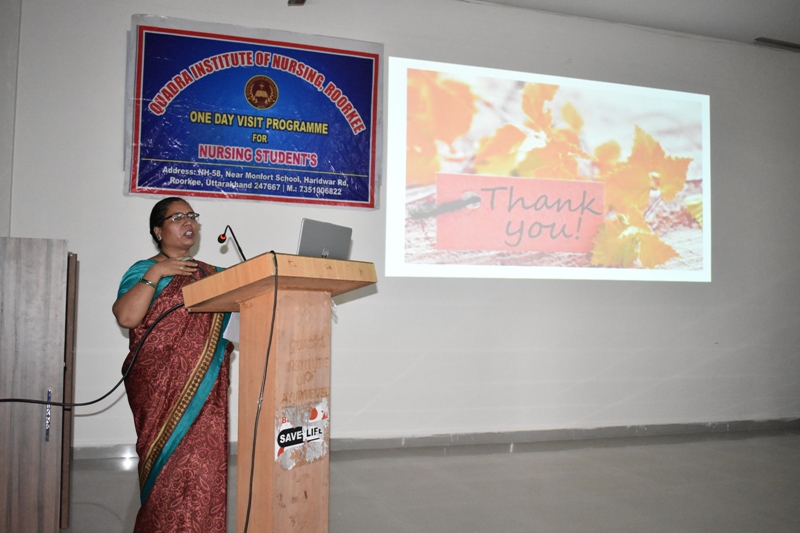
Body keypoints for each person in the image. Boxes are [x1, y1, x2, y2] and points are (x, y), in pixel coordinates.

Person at [113, 197, 232, 532]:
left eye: (192, 216)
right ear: (157, 230)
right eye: (178, 217)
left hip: (204, 394)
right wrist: (157, 272)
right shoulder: (143, 270)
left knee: (204, 469)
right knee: (167, 473)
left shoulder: (212, 275)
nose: (188, 222)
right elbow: (126, 317)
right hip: (158, 390)